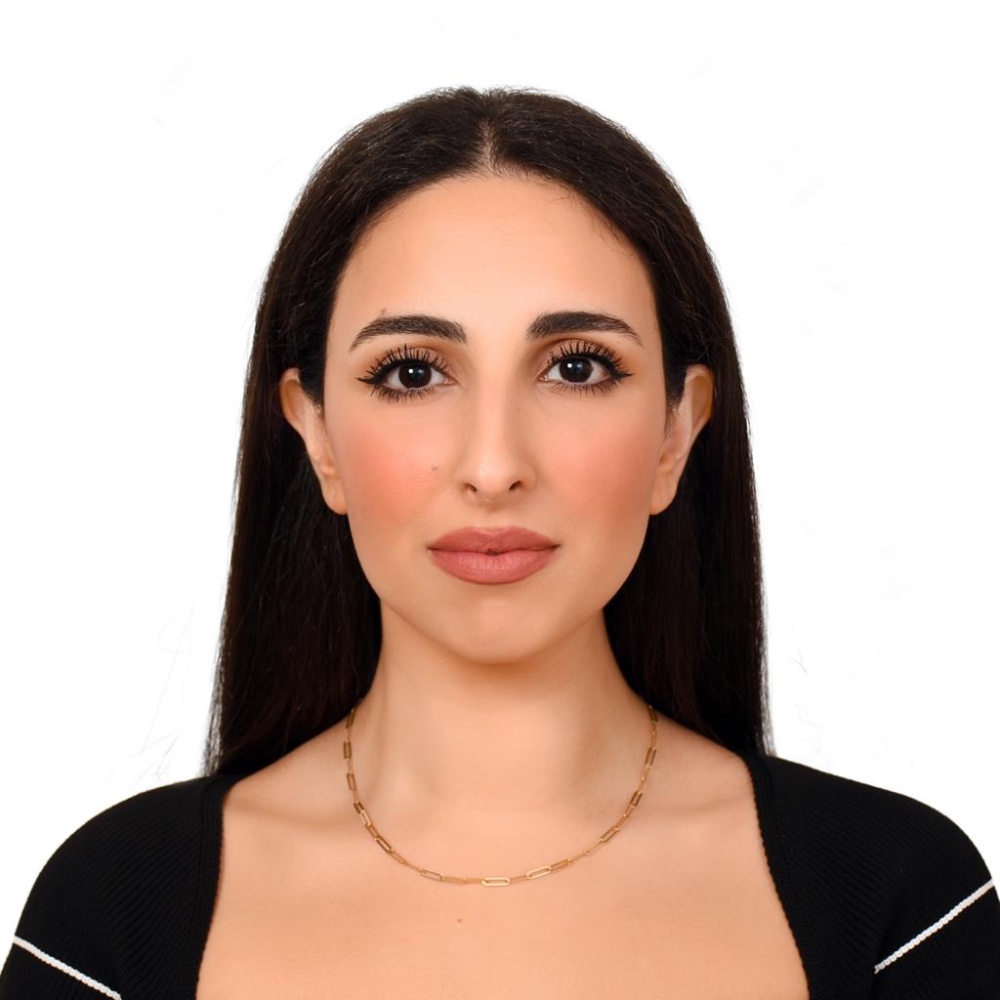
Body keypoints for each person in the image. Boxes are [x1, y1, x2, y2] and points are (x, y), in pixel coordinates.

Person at [1, 87, 996, 999]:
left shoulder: (898, 903)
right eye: (411, 373)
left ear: (675, 433)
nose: (492, 465)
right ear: (316, 435)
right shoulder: (112, 919)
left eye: (576, 367)